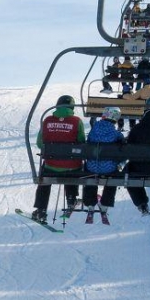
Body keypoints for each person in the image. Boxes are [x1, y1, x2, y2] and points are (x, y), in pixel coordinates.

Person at [32, 95, 86, 223]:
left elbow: (40, 143)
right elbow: (81, 142)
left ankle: (41, 210)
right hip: (73, 167)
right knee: (72, 165)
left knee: (44, 179)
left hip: (51, 166)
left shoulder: (47, 120)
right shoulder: (76, 121)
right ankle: (71, 199)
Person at [82, 107, 124, 216]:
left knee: (90, 173)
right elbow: (123, 149)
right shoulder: (116, 134)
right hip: (108, 168)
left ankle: (90, 202)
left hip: (92, 166)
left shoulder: (93, 130)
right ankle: (106, 203)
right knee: (114, 175)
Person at [125, 108, 150, 214]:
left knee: (128, 173)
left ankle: (141, 203)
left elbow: (128, 148)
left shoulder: (136, 128)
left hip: (137, 168)